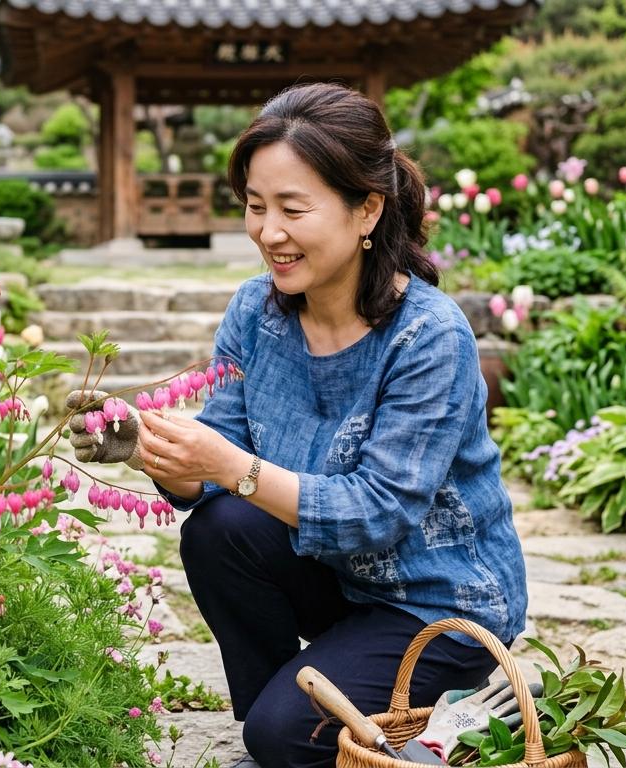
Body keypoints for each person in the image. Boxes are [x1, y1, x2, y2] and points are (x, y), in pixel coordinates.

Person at [67, 82, 528, 768]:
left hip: (438, 604)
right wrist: (147, 450)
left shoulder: (429, 336)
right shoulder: (257, 311)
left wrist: (229, 466)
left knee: (285, 735)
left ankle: (439, 707)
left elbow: (381, 511)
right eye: (255, 207)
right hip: (338, 579)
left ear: (366, 208)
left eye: (292, 208)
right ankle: (291, 709)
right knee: (218, 532)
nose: (268, 233)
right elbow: (219, 470)